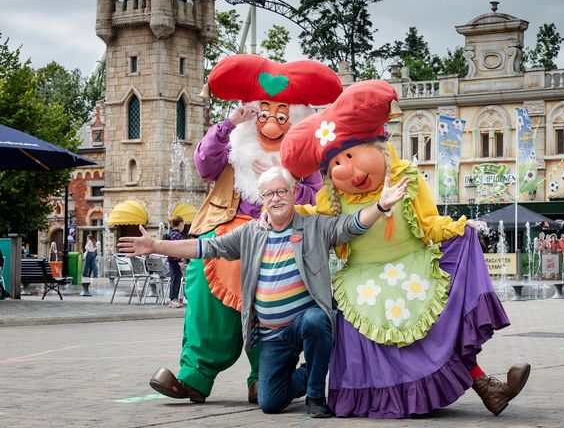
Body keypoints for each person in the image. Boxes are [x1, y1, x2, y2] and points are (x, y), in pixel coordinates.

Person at [281, 80, 530, 418]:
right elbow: (311, 221)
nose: (350, 169)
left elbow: (429, 224)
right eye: (338, 162)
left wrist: (458, 227)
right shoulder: (330, 201)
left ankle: (487, 387)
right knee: (361, 336)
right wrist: (281, 207)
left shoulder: (406, 181)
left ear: (379, 148)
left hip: (412, 271)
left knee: (438, 331)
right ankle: (477, 390)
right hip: (362, 283)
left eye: (353, 155)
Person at [119, 166, 409, 418]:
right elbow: (204, 248)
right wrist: (157, 246)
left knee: (316, 320)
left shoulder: (313, 226)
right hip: (271, 336)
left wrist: (381, 206)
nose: (276, 198)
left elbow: (351, 225)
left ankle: (316, 395)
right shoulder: (250, 234)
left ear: (293, 193)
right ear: (262, 200)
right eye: (269, 194)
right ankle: (309, 371)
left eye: (281, 191)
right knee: (270, 403)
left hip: (303, 324)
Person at [147, 54, 341, 404]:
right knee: (206, 298)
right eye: (263, 112)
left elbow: (316, 196)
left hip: (274, 238)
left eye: (281, 114)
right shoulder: (233, 143)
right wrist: (228, 124)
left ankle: (264, 377)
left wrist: (287, 178)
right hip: (223, 231)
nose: (270, 122)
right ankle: (194, 376)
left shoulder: (301, 158)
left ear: (293, 118)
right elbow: (204, 164)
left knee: (274, 301)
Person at [165, 216, 186, 308]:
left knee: (175, 278)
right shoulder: (177, 235)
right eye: (183, 225)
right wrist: (180, 260)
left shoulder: (171, 234)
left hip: (171, 259)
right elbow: (177, 249)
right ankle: (173, 299)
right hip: (175, 260)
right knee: (176, 279)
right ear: (180, 224)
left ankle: (173, 298)